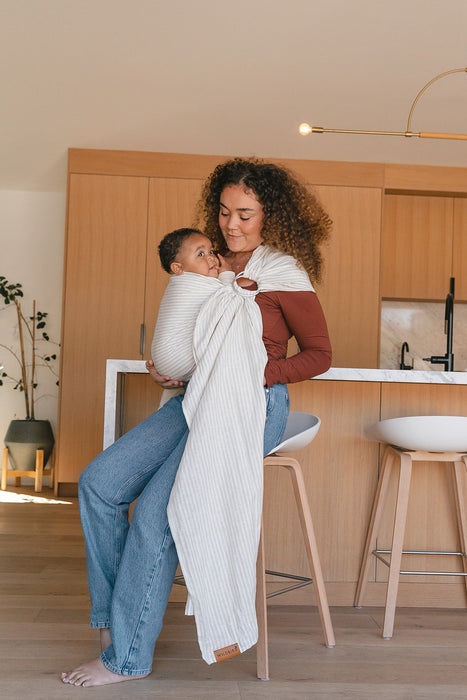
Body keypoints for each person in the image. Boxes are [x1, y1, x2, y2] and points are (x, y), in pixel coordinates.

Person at [61, 156, 332, 687]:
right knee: (99, 483)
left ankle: (127, 656)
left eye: (246, 215)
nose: (231, 225)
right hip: (195, 401)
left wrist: (258, 375)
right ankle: (113, 619)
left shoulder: (282, 274)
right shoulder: (204, 264)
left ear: (270, 216)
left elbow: (319, 354)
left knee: (159, 514)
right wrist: (168, 369)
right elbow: (189, 340)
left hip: (250, 408)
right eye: (225, 212)